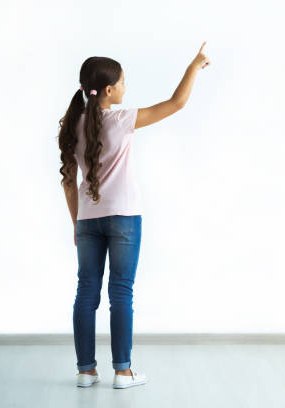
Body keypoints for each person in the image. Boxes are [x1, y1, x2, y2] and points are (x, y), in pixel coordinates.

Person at [57, 42, 210, 389]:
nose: (126, 87)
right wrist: (195, 65)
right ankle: (123, 372)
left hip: (88, 219)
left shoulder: (71, 124)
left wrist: (76, 223)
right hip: (124, 217)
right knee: (121, 293)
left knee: (86, 292)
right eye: (123, 82)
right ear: (109, 90)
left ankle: (85, 370)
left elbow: (69, 183)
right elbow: (176, 103)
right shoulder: (122, 119)